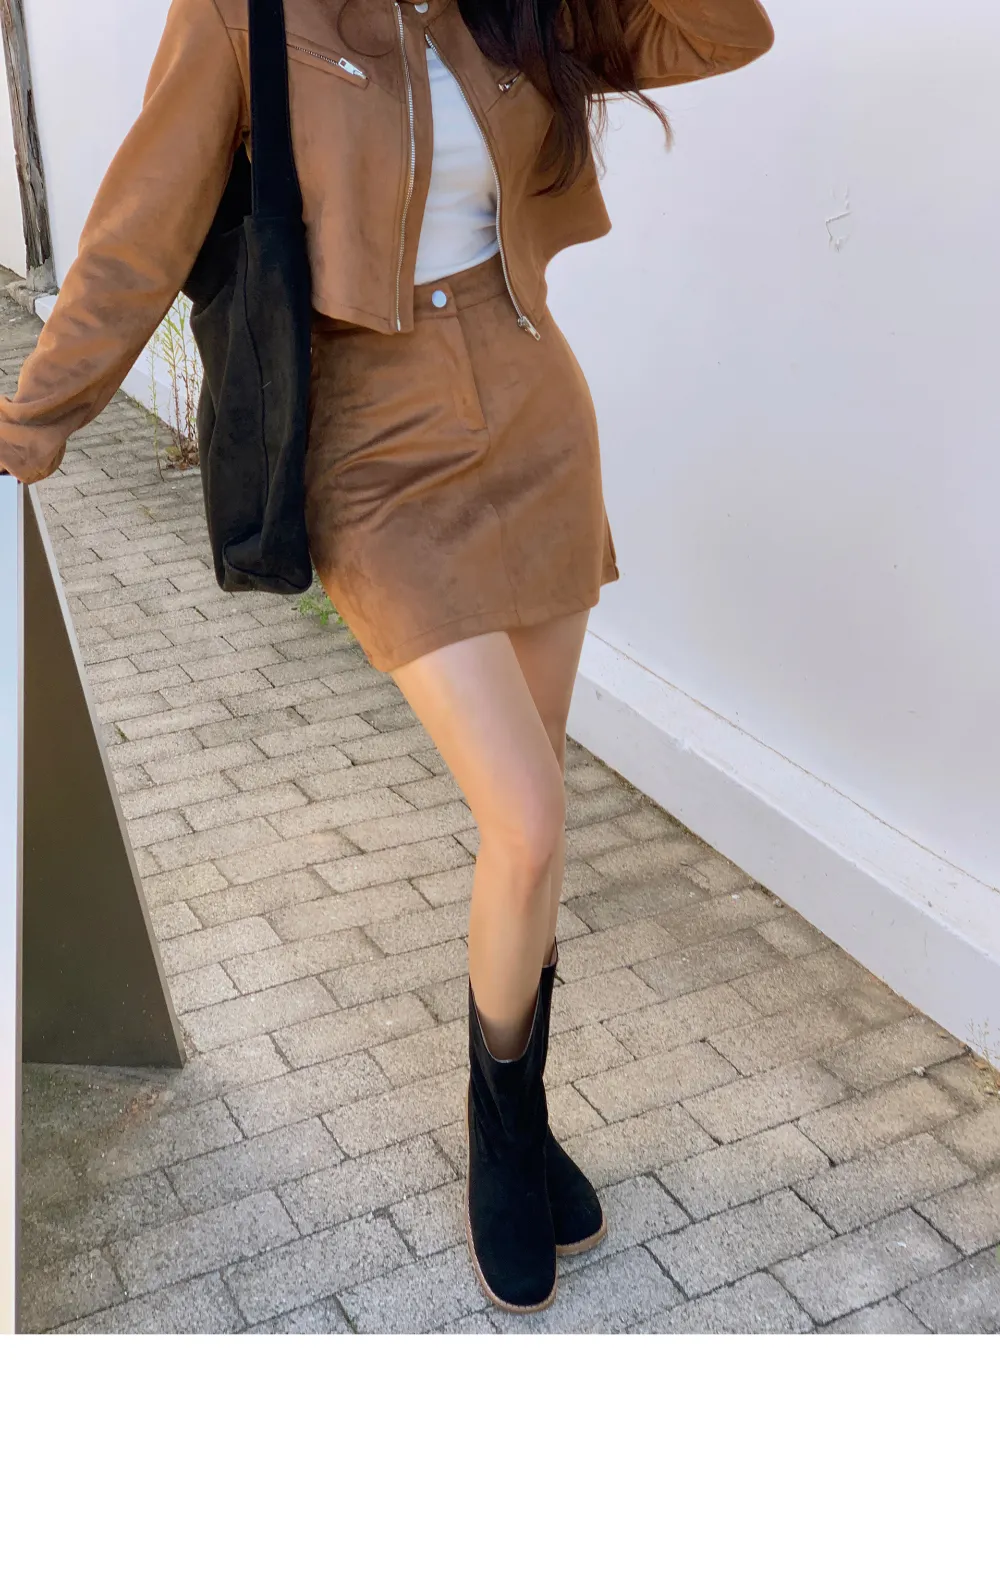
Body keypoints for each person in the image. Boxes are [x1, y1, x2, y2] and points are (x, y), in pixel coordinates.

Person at [0, 0, 774, 1313]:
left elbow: (721, 35)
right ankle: (504, 1136)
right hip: (374, 444)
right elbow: (143, 226)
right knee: (526, 818)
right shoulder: (242, 13)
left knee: (532, 822)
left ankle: (515, 1108)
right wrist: (34, 418)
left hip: (533, 409)